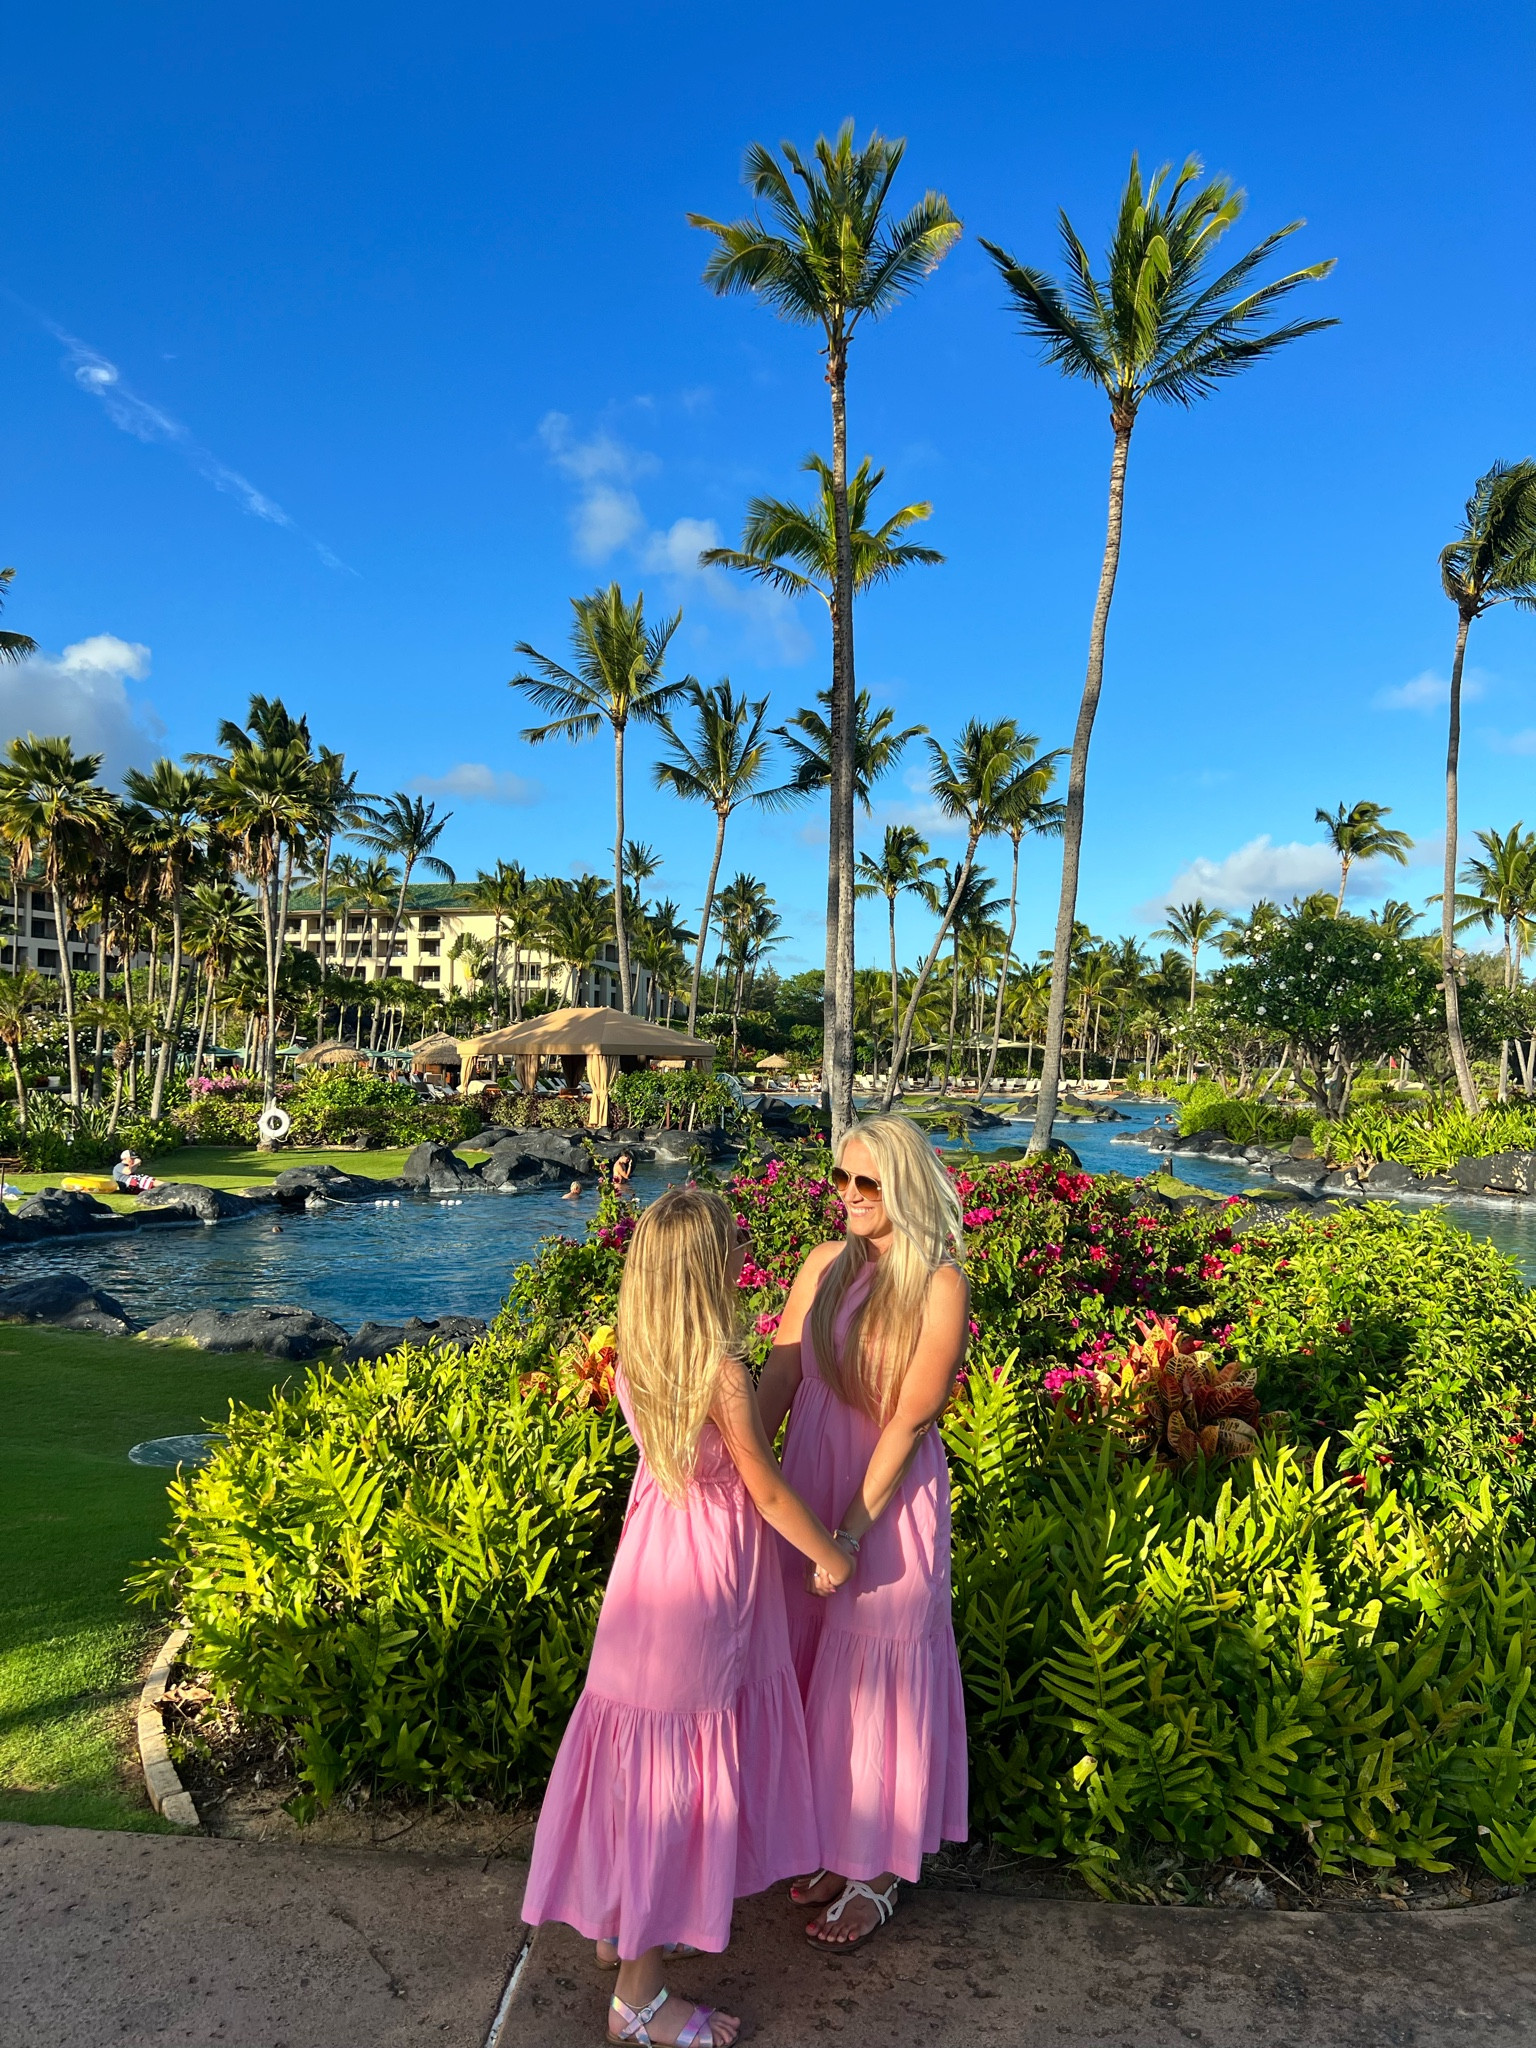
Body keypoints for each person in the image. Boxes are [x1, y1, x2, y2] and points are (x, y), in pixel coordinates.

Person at [521, 1186, 853, 2047]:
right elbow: (767, 1490)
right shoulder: (721, 1373)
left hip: (648, 1572)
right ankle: (640, 1999)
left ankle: (619, 1921)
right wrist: (830, 1553)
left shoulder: (641, 1357)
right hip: (705, 1585)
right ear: (713, 1273)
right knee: (678, 1769)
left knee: (636, 1743)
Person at [756, 1113, 970, 1953]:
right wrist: (737, 1483)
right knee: (817, 1672)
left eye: (867, 1184)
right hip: (809, 1483)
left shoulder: (937, 1282)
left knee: (876, 1673)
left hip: (881, 1499)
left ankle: (878, 1869)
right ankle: (837, 1848)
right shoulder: (819, 1266)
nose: (847, 1197)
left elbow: (914, 1417)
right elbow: (776, 1378)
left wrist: (847, 1533)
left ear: (904, 1187)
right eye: (840, 1180)